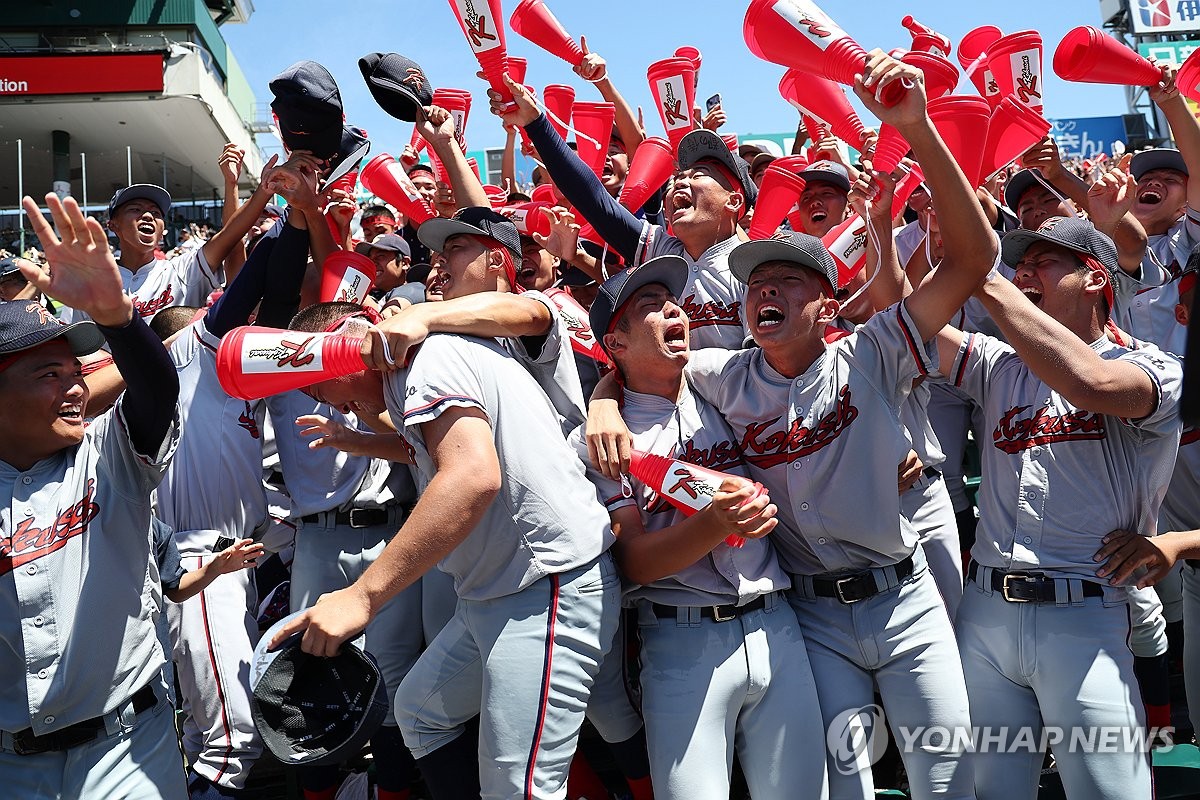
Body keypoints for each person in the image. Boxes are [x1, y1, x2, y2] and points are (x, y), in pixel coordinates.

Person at [589, 50, 985, 798]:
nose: (763, 290)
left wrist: (919, 129)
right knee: (843, 788)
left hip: (905, 602)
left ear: (828, 308)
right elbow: (642, 367)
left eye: (787, 283)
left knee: (948, 782)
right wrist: (605, 398)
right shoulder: (719, 376)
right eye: (755, 284)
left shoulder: (872, 352)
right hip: (811, 618)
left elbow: (972, 260)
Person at [936, 216, 1182, 799]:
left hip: (1087, 613)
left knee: (1107, 792)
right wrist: (889, 226)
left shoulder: (1155, 366)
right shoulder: (998, 364)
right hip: (988, 612)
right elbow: (899, 314)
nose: (1023, 273)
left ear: (1094, 276)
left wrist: (982, 273)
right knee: (994, 792)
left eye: (1043, 263)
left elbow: (1090, 383)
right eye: (1018, 264)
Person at [573, 255, 829, 799]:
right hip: (682, 641)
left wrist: (603, 397)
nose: (672, 311)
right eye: (649, 307)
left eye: (672, 303)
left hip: (776, 623)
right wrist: (714, 524)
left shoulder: (717, 382)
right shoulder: (599, 441)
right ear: (614, 346)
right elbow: (631, 561)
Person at [0, 193, 183, 797]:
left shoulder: (108, 454)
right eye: (47, 375)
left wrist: (116, 315)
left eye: (76, 371)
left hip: (127, 749)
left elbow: (156, 386)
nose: (76, 386)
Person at [496, 76, 759, 350]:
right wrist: (536, 124)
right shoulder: (661, 249)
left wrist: (691, 372)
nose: (681, 181)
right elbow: (593, 199)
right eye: (680, 175)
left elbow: (762, 366)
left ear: (734, 200)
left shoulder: (752, 270)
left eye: (700, 175)